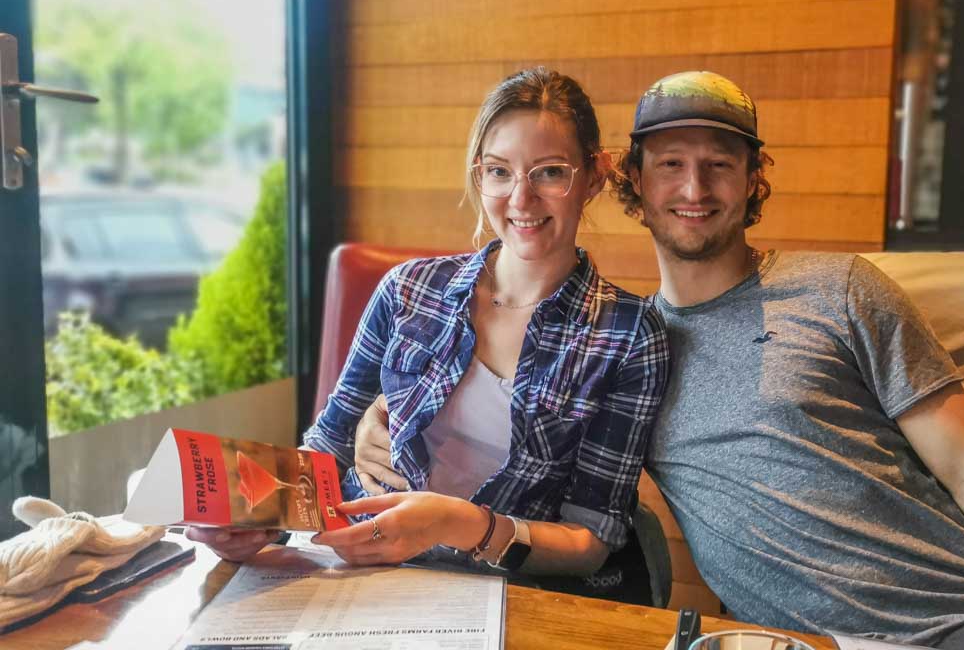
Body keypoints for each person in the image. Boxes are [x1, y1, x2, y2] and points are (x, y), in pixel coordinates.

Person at [355, 71, 964, 649]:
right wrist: (374, 423)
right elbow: (550, 475)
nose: (694, 188)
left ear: (754, 178)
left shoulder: (840, 287)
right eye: (671, 164)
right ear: (629, 180)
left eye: (720, 164)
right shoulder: (628, 344)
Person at [188, 67, 671, 588]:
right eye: (499, 171)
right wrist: (263, 518)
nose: (520, 199)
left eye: (550, 172)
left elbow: (590, 540)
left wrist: (459, 524)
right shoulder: (408, 290)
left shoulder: (629, 335)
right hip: (348, 566)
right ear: (478, 175)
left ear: (593, 175)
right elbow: (327, 445)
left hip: (499, 594)